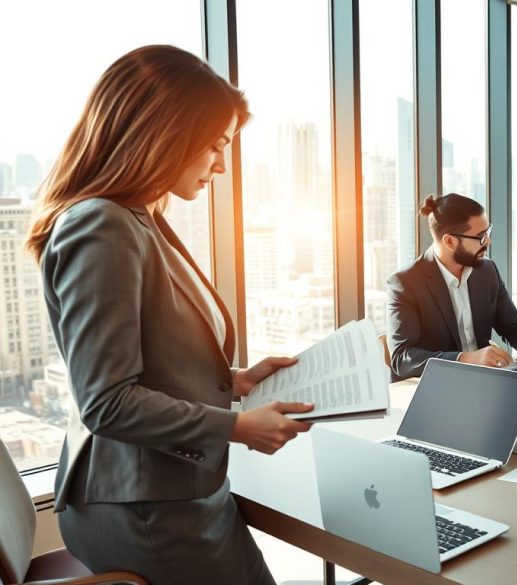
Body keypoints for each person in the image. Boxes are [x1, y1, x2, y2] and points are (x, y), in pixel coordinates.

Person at [25, 46, 314, 585]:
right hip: (148, 507)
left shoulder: (140, 217)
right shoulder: (104, 225)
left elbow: (153, 354)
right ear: (164, 133)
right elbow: (107, 401)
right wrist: (237, 427)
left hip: (174, 489)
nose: (222, 165)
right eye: (216, 145)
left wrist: (232, 382)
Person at [386, 193, 517, 381]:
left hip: (484, 381)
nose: (488, 242)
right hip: (437, 386)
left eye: (488, 232)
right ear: (450, 241)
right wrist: (465, 359)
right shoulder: (405, 283)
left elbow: (514, 326)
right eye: (480, 237)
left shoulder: (487, 271)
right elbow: (403, 358)